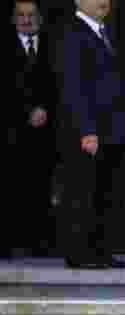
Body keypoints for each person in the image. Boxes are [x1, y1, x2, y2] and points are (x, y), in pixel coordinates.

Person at [57, 0, 125, 270]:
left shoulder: (105, 33)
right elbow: (74, 87)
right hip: (90, 132)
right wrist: (86, 129)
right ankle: (80, 253)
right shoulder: (73, 33)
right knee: (84, 193)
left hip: (111, 132)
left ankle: (100, 252)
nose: (104, 1)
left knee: (105, 193)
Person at [7, 0, 56, 258]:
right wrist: (26, 112)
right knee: (10, 188)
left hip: (45, 133)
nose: (26, 20)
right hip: (11, 133)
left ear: (40, 19)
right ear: (13, 20)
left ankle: (40, 243)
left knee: (41, 189)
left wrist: (45, 109)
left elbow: (59, 84)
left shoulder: (52, 47)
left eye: (31, 15)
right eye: (21, 15)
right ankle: (8, 243)